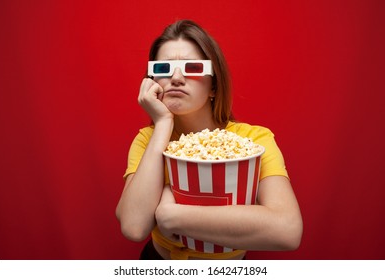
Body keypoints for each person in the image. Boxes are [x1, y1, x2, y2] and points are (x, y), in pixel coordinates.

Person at [116, 19, 303, 260]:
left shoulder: (253, 139)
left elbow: (287, 230)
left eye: (193, 68)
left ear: (214, 85)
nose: (176, 78)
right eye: (163, 69)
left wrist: (171, 216)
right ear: (152, 82)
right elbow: (133, 226)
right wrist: (163, 123)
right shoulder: (148, 140)